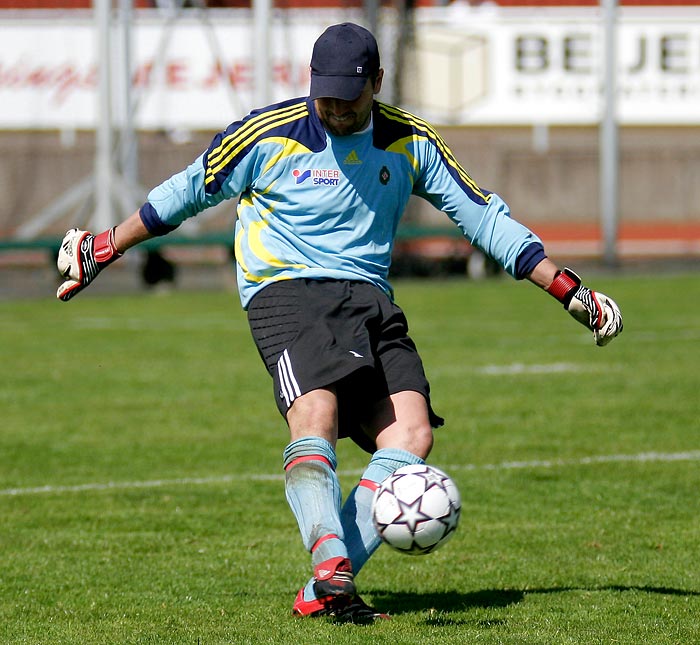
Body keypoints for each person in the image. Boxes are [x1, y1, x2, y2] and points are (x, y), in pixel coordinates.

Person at [56, 22, 623, 622]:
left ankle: (322, 585)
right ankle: (331, 561)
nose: (333, 109)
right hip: (285, 290)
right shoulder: (265, 134)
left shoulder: (411, 142)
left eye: (348, 99)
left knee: (411, 436)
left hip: (369, 298)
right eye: (323, 95)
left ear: (377, 83)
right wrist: (104, 248)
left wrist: (568, 290)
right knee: (316, 410)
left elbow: (484, 220)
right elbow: (188, 190)